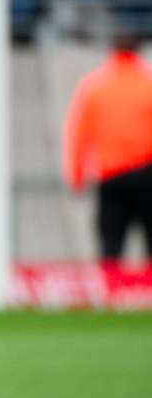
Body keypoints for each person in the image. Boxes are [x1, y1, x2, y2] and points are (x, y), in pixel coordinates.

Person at [63, 28, 152, 260]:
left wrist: (77, 176)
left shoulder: (96, 87)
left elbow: (80, 134)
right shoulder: (148, 84)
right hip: (147, 175)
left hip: (111, 177)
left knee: (111, 250)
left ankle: (112, 284)